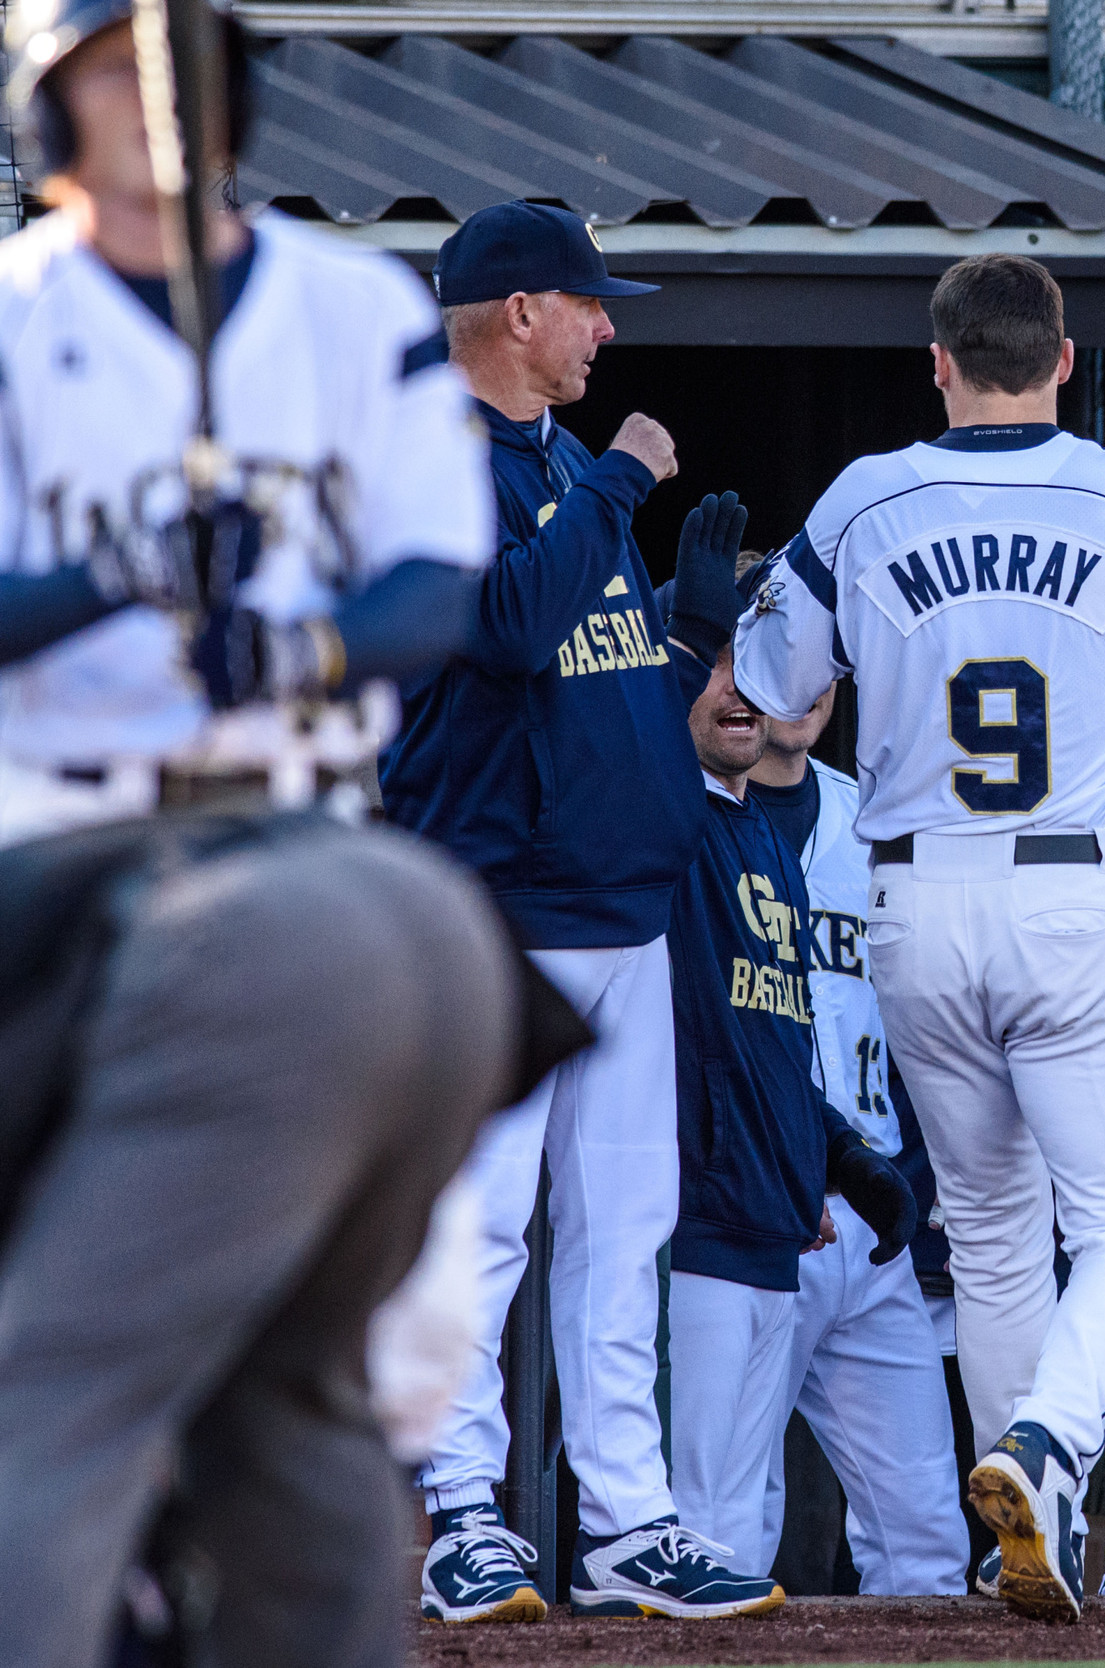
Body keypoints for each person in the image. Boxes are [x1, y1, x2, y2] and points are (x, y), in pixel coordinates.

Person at [0, 1, 531, 1660]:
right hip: (63, 838)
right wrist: (130, 571)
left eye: (182, 71)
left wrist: (294, 639)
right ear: (47, 112)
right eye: (108, 73)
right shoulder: (14, 318)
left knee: (410, 1349)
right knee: (71, 1345)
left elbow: (437, 584)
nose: (156, 104)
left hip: (312, 832)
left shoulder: (352, 310)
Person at [734, 253, 1105, 1621]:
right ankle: (1048, 1446)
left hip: (914, 896)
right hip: (1068, 890)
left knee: (993, 1232)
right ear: (1062, 361)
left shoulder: (865, 497)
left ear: (937, 363)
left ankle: (1023, 1524)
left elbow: (768, 686)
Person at [385, 200, 771, 1621]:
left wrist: (681, 627)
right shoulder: (424, 447)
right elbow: (502, 633)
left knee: (625, 1232)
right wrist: (614, 488)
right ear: (520, 312)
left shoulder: (552, 461)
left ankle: (626, 1522)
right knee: (477, 1229)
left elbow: (592, 670)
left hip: (620, 902)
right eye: (591, 303)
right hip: (497, 902)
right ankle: (460, 1511)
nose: (610, 328)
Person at [653, 552, 916, 1601]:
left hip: (796, 1205)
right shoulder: (662, 818)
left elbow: (776, 1043)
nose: (748, 684)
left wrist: (845, 1157)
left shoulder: (775, 836)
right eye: (717, 659)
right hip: (702, 1213)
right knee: (712, 1527)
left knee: (872, 1533)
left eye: (757, 658)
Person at [728, 554, 970, 1594]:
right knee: (725, 1535)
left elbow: (938, 1032)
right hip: (740, 1218)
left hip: (867, 1228)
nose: (809, 679)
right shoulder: (681, 818)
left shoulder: (881, 823)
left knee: (927, 1542)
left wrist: (914, 1182)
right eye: (785, 649)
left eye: (826, 658)